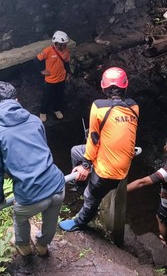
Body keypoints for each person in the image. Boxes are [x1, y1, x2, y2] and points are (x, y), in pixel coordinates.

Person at [0, 81, 66, 257]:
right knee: (51, 217)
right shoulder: (35, 120)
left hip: (30, 196)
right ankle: (43, 245)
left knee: (20, 217)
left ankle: (24, 246)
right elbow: (43, 150)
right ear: (16, 99)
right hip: (58, 186)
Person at [59, 67, 139, 232]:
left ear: (103, 87)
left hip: (109, 172)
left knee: (91, 197)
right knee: (75, 151)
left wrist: (86, 166)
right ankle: (79, 183)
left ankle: (79, 222)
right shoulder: (134, 107)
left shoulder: (98, 106)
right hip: (122, 160)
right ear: (125, 86)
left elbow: (94, 139)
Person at [36, 30, 72, 122]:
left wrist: (68, 73)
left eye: (65, 44)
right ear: (56, 44)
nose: (64, 46)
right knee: (47, 96)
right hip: (51, 80)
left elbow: (66, 63)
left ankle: (56, 109)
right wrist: (42, 71)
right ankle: (43, 112)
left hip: (61, 78)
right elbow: (37, 60)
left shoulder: (66, 50)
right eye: (62, 44)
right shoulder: (48, 50)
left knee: (59, 95)